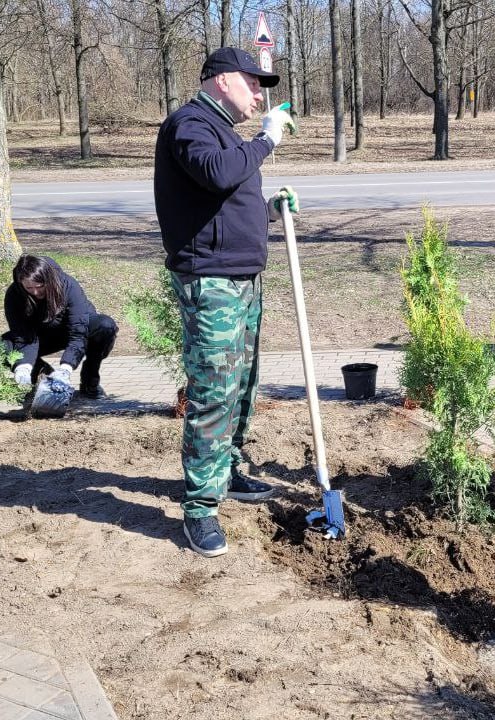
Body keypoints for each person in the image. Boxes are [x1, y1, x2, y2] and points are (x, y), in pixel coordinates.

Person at [154, 47, 298, 558]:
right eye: (252, 83)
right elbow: (216, 173)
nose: (259, 94)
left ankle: (228, 470)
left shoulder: (226, 133)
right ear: (221, 81)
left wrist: (270, 211)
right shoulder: (189, 125)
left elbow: (226, 198)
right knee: (214, 391)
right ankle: (199, 508)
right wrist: (267, 139)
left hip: (243, 280)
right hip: (211, 282)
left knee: (242, 384)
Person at [3, 255, 118, 398]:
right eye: (29, 288)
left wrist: (65, 369)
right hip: (41, 336)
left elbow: (79, 332)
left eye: (39, 286)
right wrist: (23, 367)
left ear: (48, 280)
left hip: (73, 330)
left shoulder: (68, 286)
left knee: (105, 326)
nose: (35, 292)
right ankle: (45, 377)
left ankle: (90, 381)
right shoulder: (14, 294)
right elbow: (23, 336)